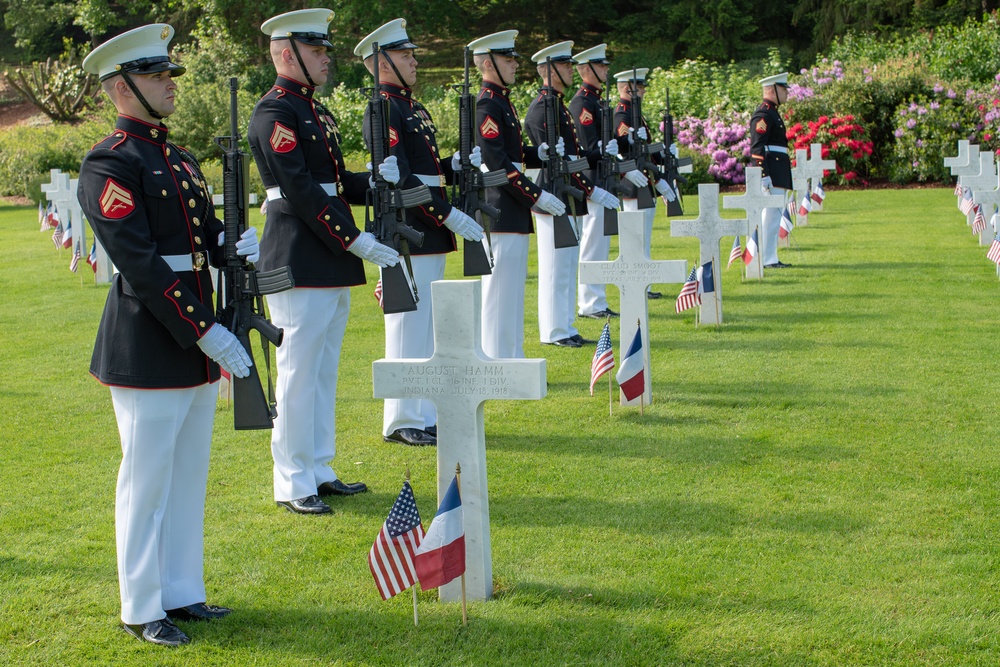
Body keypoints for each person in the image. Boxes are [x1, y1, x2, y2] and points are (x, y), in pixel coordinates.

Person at [79, 23, 251, 646]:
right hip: (152, 340)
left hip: (197, 337)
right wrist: (204, 331)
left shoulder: (177, 157)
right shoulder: (109, 163)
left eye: (168, 74)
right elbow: (142, 264)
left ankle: (182, 592)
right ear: (121, 90)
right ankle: (140, 604)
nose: (169, 85)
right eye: (156, 76)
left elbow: (202, 234)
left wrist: (235, 242)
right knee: (146, 477)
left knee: (187, 475)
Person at [247, 9, 399, 514]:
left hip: (325, 255)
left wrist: (373, 180)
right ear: (288, 55)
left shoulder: (314, 111)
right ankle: (292, 480)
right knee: (296, 370)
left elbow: (332, 183)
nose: (326, 59)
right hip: (298, 252)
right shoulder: (275, 113)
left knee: (322, 369)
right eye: (317, 52)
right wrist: (355, 239)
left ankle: (318, 466)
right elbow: (300, 190)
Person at [354, 19, 485, 447]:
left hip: (427, 228)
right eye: (405, 54)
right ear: (381, 62)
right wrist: (446, 214)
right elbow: (401, 178)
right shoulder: (384, 109)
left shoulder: (412, 107)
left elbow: (427, 170)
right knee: (408, 325)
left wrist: (455, 162)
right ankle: (401, 416)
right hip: (411, 227)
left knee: (427, 324)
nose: (413, 60)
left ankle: (425, 410)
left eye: (412, 53)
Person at [470, 30, 567, 359]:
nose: (514, 64)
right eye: (507, 59)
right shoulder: (486, 103)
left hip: (511, 204)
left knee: (511, 290)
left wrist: (536, 153)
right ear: (487, 64)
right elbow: (496, 162)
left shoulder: (500, 101)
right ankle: (498, 361)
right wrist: (535, 195)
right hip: (500, 205)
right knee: (499, 291)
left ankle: (511, 357)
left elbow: (511, 154)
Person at [523, 41, 619, 348]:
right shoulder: (542, 108)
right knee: (555, 267)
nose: (570, 70)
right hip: (553, 195)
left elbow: (572, 159)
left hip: (567, 194)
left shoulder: (558, 106)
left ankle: (565, 326)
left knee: (566, 264)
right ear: (549, 71)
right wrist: (591, 189)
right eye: (564, 66)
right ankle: (554, 331)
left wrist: (593, 163)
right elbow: (555, 162)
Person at [569, 44, 646, 320]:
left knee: (601, 242)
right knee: (592, 242)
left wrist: (628, 140)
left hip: (604, 178)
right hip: (592, 180)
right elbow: (591, 146)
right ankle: (589, 302)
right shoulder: (582, 103)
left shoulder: (597, 101)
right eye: (601, 66)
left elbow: (608, 142)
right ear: (587, 70)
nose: (606, 70)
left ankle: (597, 299)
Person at [613, 68, 677, 299]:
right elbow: (626, 151)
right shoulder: (623, 115)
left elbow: (645, 151)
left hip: (645, 180)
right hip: (635, 183)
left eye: (641, 86)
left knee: (644, 236)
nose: (642, 90)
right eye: (638, 87)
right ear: (626, 89)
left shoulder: (634, 114)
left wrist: (662, 154)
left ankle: (644, 284)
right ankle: (637, 283)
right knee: (636, 236)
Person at [750, 72, 793, 269]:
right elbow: (757, 147)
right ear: (771, 90)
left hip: (778, 169)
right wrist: (763, 175)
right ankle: (767, 259)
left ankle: (770, 256)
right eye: (783, 90)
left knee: (774, 216)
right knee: (770, 216)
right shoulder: (764, 114)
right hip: (772, 171)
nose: (786, 93)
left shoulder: (772, 112)